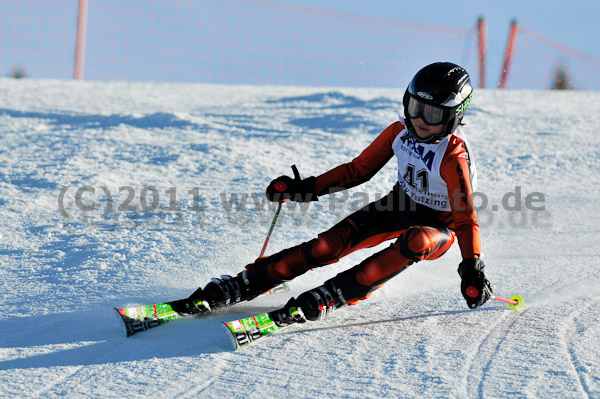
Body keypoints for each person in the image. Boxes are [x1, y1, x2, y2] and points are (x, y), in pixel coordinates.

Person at [178, 62, 493, 323]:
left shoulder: (453, 156)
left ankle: (333, 295)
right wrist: (304, 188)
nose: (420, 120)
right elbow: (358, 170)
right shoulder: (399, 132)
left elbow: (465, 220)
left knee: (416, 241)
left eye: (433, 114)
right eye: (415, 108)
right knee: (327, 246)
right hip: (399, 205)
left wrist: (471, 267)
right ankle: (245, 282)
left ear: (452, 116)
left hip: (440, 225)